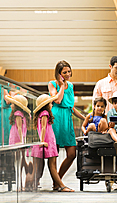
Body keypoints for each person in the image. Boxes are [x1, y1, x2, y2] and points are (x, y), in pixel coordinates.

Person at [48, 60, 85, 188]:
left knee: (72, 154)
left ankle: (57, 179)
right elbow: (57, 100)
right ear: (59, 74)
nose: (68, 74)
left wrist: (85, 118)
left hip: (67, 120)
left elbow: (71, 107)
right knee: (54, 153)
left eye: (69, 71)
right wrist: (62, 85)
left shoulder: (71, 86)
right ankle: (58, 183)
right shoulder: (52, 84)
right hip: (56, 119)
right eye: (64, 72)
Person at [31, 94, 74, 192]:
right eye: (50, 103)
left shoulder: (40, 114)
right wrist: (42, 141)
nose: (52, 105)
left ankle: (57, 185)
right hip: (48, 143)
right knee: (52, 166)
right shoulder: (45, 113)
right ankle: (61, 186)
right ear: (46, 105)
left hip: (47, 142)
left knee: (45, 167)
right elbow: (43, 128)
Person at [6, 94, 32, 192]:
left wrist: (21, 141)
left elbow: (20, 127)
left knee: (18, 163)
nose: (11, 105)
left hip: (17, 140)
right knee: (20, 162)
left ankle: (19, 185)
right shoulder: (25, 115)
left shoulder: (17, 113)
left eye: (13, 103)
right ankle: (20, 184)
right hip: (21, 140)